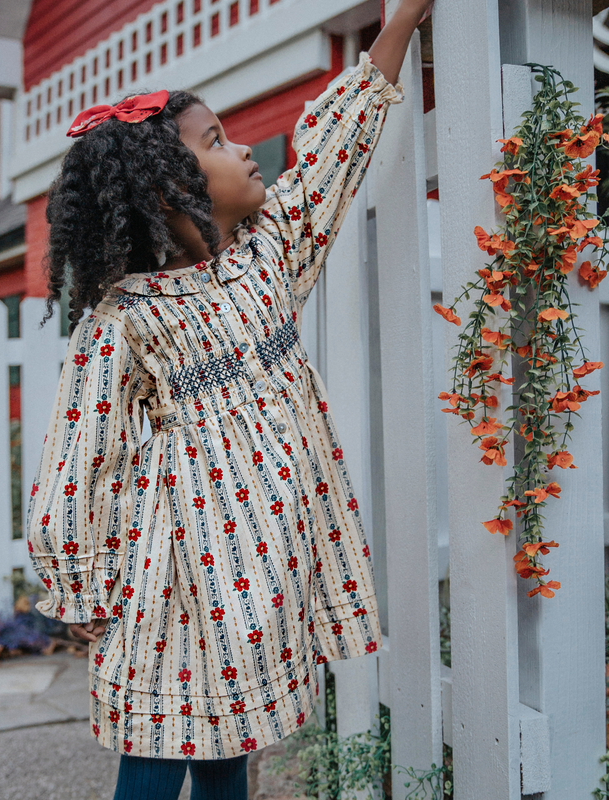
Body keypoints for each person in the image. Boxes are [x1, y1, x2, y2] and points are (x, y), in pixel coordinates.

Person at [26, 2, 433, 797]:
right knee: (158, 731)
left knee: (233, 732)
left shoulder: (269, 258)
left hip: (263, 550)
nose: (245, 147)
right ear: (166, 188)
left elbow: (329, 156)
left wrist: (403, 20)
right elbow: (81, 459)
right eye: (215, 142)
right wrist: (82, 579)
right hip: (176, 565)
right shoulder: (128, 318)